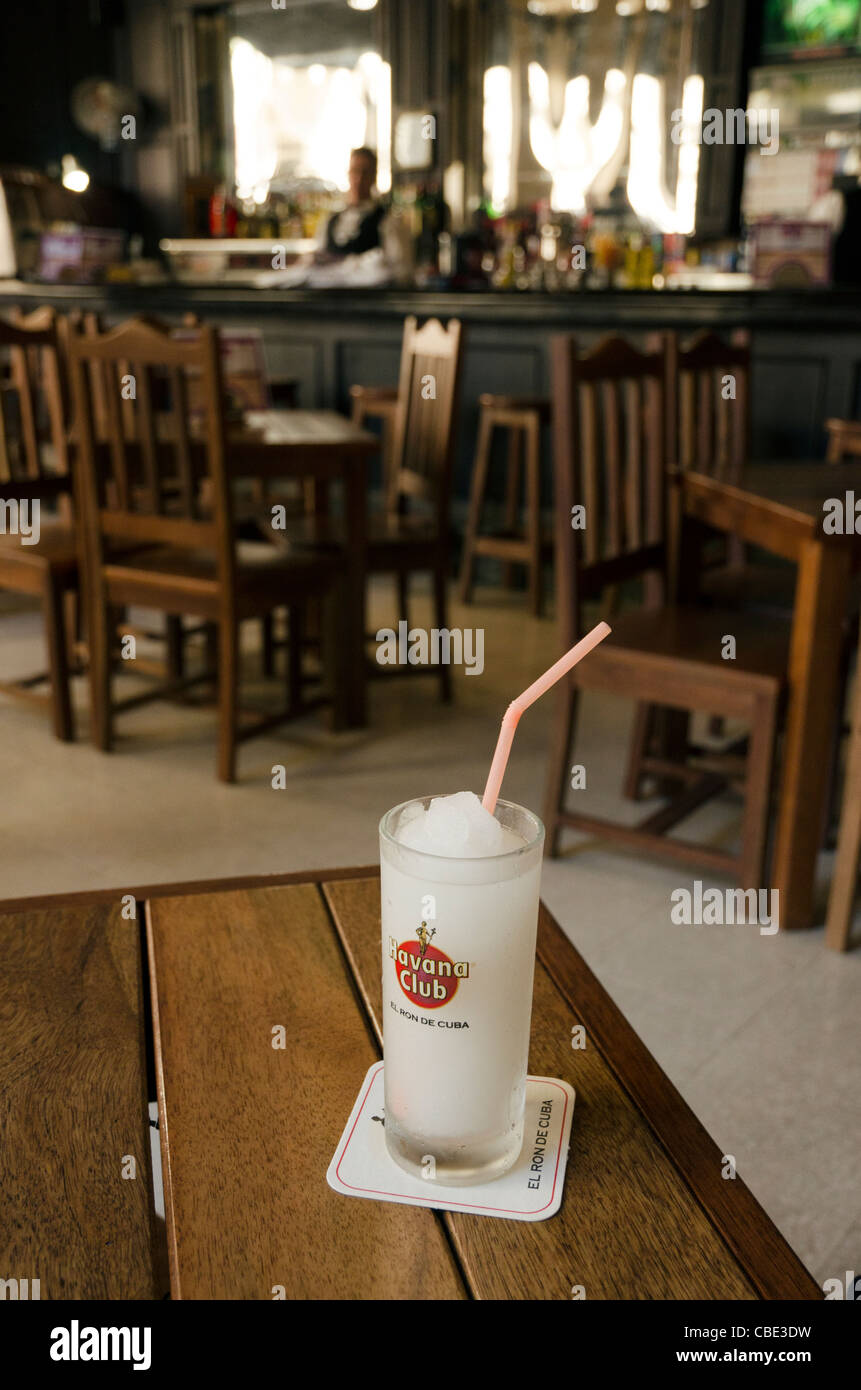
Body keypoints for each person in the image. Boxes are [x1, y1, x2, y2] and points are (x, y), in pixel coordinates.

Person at [312, 147, 412, 284]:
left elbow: (402, 271)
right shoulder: (330, 220)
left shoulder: (388, 220)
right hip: (330, 301)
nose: (359, 179)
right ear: (348, 174)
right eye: (355, 171)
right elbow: (315, 266)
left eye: (365, 173)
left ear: (374, 177)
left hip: (370, 302)